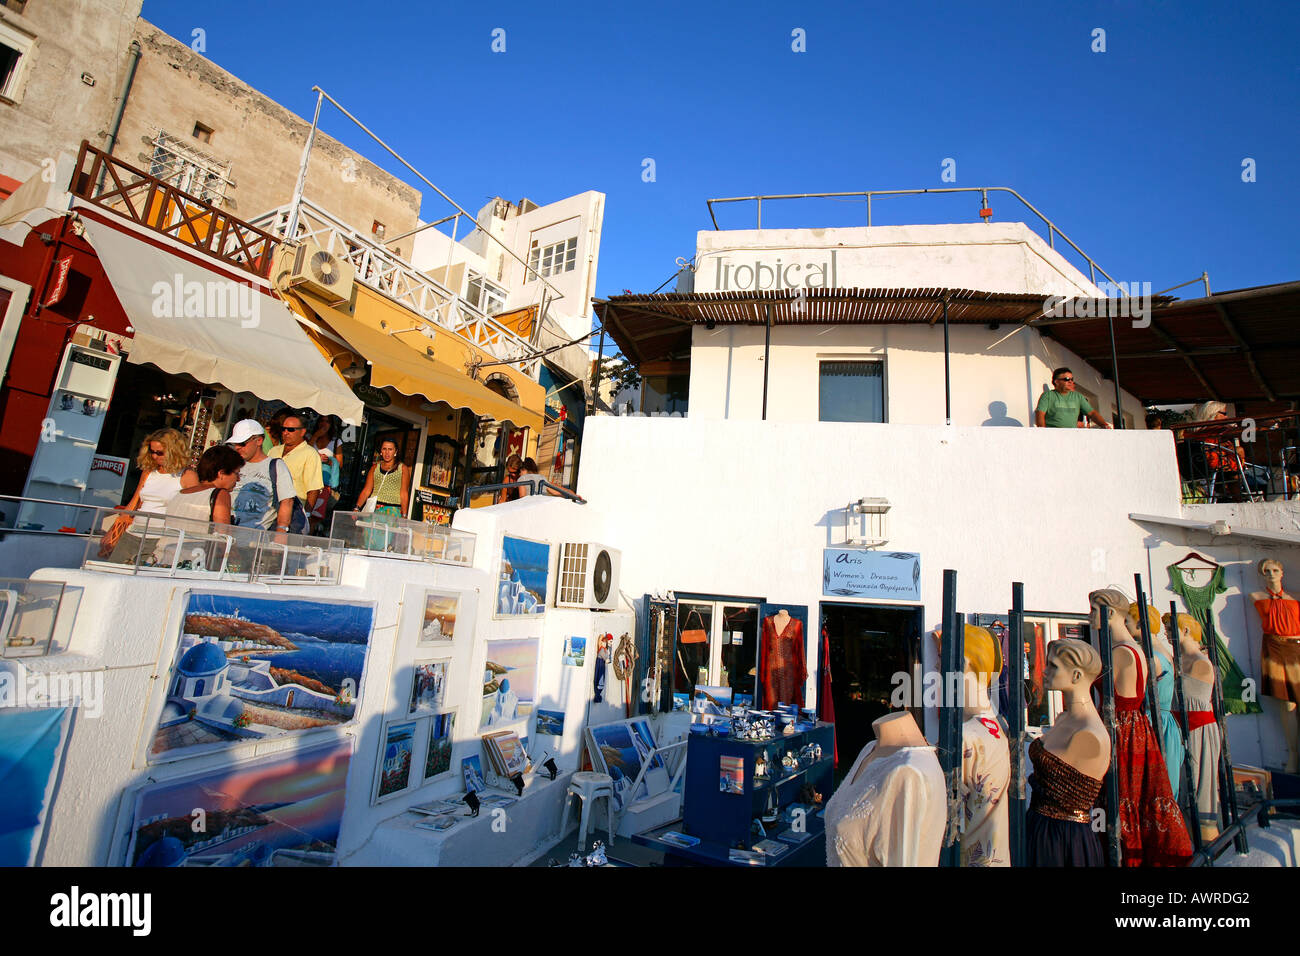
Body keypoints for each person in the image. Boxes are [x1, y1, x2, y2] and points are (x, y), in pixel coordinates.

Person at [100, 428, 199, 558]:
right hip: (134, 532)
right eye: (152, 451)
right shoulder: (149, 472)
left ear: (174, 451)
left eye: (160, 452)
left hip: (161, 538)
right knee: (112, 571)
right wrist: (113, 532)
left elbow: (191, 512)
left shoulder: (188, 476)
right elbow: (133, 503)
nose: (154, 456)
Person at [225, 419, 297, 532]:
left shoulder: (276, 466)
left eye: (242, 443)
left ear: (259, 440)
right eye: (235, 444)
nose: (237, 447)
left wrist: (281, 532)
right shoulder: (231, 464)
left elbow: (287, 501)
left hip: (256, 538)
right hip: (227, 534)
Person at [269, 413, 324, 521]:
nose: (285, 433)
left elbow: (314, 489)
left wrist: (306, 515)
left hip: (292, 513)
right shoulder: (273, 451)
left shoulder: (310, 454)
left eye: (291, 430)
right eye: (283, 429)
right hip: (268, 511)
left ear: (302, 432)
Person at [1034, 367, 1113, 429]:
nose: (1071, 382)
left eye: (1072, 379)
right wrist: (1043, 432)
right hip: (1053, 435)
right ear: (1056, 382)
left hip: (1072, 435)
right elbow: (1040, 415)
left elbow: (1092, 413)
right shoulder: (1048, 396)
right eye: (1067, 379)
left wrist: (1104, 425)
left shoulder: (1078, 396)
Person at [357, 437, 410, 518]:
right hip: (374, 508)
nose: (387, 452)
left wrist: (404, 514)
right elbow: (366, 490)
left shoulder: (402, 468)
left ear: (395, 451)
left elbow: (404, 493)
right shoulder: (375, 468)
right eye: (384, 449)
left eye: (390, 449)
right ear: (381, 451)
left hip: (392, 511)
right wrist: (357, 508)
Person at [308, 416, 343, 534]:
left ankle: (308, 539)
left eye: (327, 421)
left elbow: (340, 463)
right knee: (304, 512)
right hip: (308, 480)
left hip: (324, 484)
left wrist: (329, 461)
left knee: (314, 517)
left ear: (331, 425)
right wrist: (315, 436)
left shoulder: (336, 442)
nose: (324, 424)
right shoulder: (309, 438)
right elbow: (304, 452)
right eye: (321, 420)